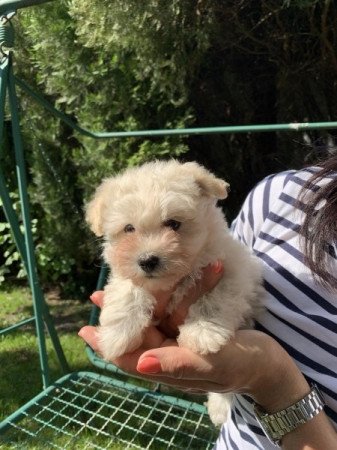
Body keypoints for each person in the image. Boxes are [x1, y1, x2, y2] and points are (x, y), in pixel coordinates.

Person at [79, 155, 337, 449]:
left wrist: (212, 322)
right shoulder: (281, 196)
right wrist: (127, 308)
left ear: (205, 199)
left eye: (173, 224)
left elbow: (242, 280)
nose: (148, 251)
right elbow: (125, 283)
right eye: (129, 230)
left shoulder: (221, 253)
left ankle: (221, 392)